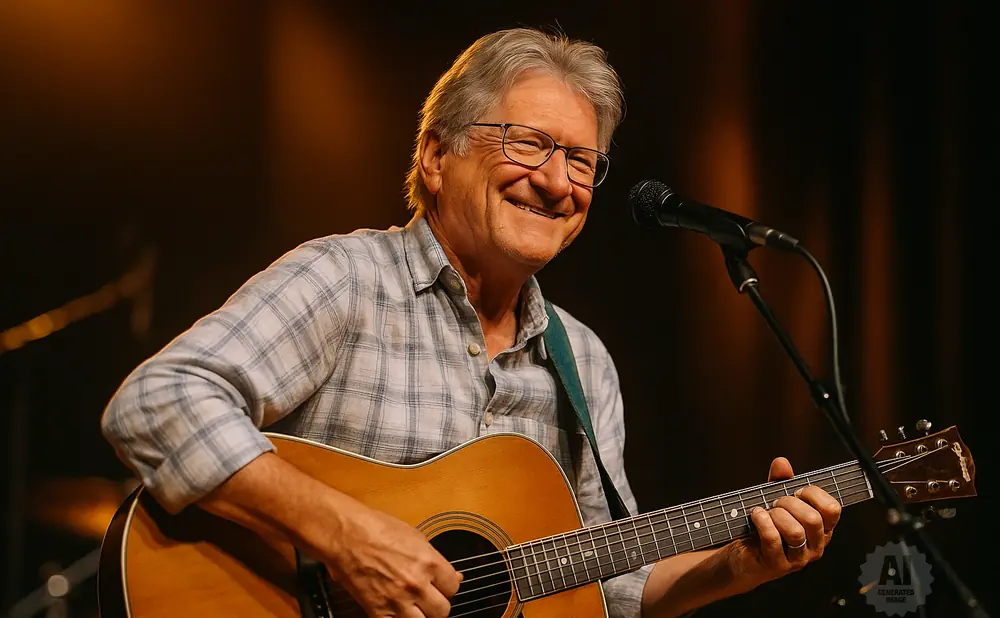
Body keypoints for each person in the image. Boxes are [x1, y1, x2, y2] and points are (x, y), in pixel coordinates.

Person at [101, 27, 842, 618]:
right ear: (435, 155)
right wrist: (346, 536)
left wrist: (732, 568)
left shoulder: (583, 359)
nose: (558, 182)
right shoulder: (347, 279)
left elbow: (601, 588)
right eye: (529, 143)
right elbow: (156, 401)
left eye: (583, 161)